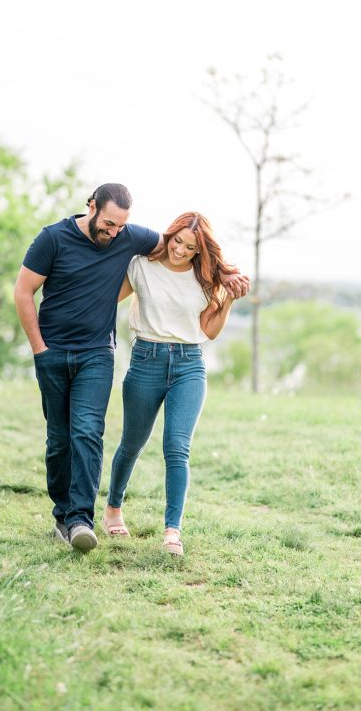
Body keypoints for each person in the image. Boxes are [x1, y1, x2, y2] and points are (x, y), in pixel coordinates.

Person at [14, 185, 244, 553]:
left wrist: (228, 287)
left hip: (143, 359)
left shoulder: (166, 257)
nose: (115, 233)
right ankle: (87, 511)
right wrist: (44, 344)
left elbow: (203, 315)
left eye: (122, 226)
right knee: (81, 442)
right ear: (91, 207)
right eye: (108, 224)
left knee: (114, 436)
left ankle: (101, 523)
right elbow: (44, 292)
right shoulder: (78, 246)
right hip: (98, 356)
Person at [101, 212, 247, 556]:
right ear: (169, 235)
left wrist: (227, 302)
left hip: (189, 365)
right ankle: (113, 509)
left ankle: (172, 531)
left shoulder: (204, 278)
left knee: (177, 448)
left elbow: (209, 330)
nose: (180, 250)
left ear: (200, 250)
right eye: (177, 241)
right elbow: (106, 298)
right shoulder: (141, 266)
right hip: (146, 361)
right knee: (131, 444)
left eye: (190, 247)